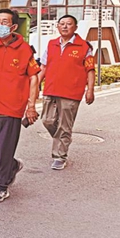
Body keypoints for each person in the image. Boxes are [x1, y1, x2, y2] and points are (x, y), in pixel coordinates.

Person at [0, 9, 40, 203]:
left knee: (6, 146)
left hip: (12, 106)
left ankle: (1, 185)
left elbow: (34, 77)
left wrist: (31, 105)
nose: (0, 25)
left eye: (4, 22)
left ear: (13, 27)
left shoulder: (25, 50)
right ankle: (11, 165)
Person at [38, 15, 96, 170]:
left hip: (71, 93)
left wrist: (90, 90)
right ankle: (63, 139)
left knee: (65, 125)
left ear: (75, 27)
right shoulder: (51, 44)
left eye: (69, 24)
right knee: (47, 120)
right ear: (57, 26)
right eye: (62, 24)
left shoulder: (84, 47)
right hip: (50, 89)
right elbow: (43, 67)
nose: (65, 26)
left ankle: (60, 156)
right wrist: (36, 84)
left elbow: (90, 70)